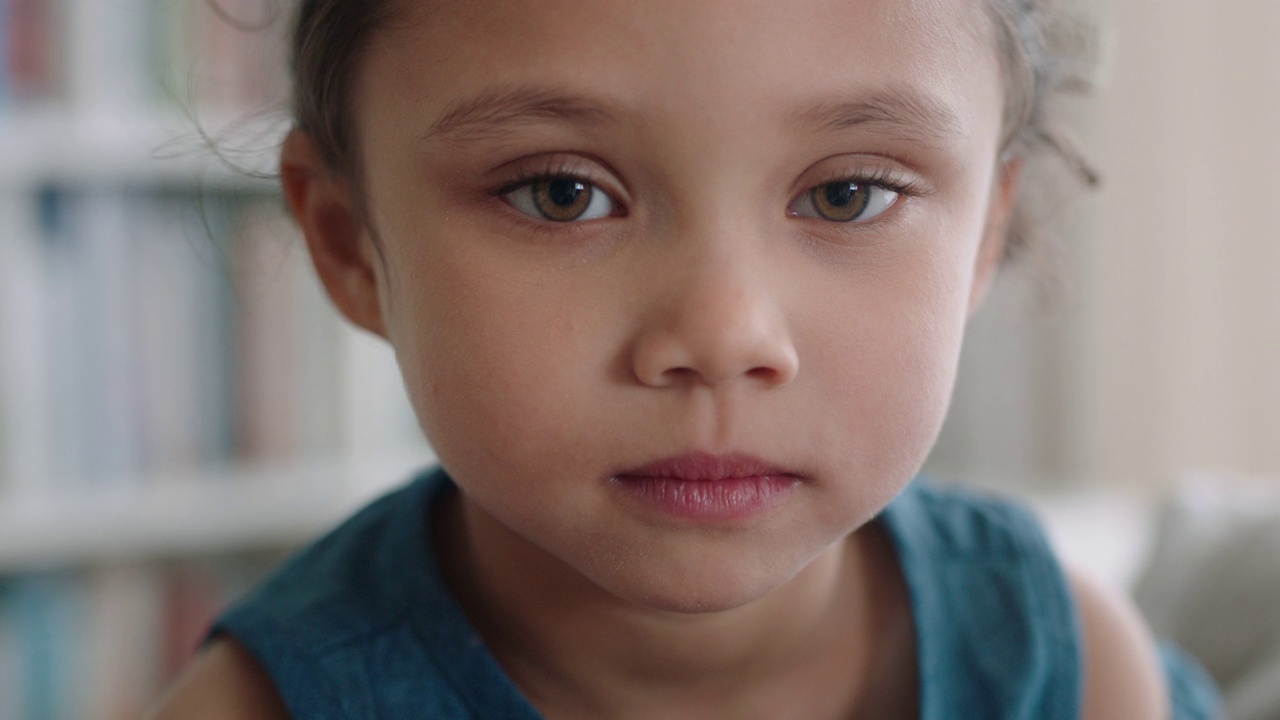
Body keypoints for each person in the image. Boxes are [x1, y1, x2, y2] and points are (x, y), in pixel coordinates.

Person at [150, 0, 1222, 717]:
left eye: (847, 193)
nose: (721, 335)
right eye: (559, 192)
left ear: (984, 236)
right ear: (349, 246)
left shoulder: (1065, 669)